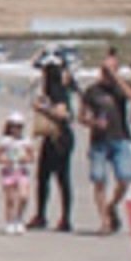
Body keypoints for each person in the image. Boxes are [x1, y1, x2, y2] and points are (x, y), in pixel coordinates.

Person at [80, 56, 131, 234]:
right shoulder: (92, 91)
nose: (107, 73)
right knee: (99, 179)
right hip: (99, 140)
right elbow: (82, 115)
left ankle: (112, 205)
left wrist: (115, 77)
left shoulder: (119, 88)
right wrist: (93, 122)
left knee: (125, 177)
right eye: (105, 69)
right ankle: (104, 221)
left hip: (120, 137)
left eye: (111, 69)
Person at [29, 59, 76, 232]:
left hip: (59, 138)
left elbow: (63, 114)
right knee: (48, 177)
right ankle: (51, 215)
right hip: (56, 137)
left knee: (55, 177)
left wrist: (41, 109)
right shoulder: (58, 91)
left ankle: (57, 217)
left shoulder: (56, 92)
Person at [0, 112, 36, 234]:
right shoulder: (5, 141)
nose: (16, 129)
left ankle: (19, 218)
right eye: (14, 126)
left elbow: (32, 157)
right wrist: (5, 160)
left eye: (19, 126)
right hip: (9, 171)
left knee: (24, 196)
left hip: (21, 171)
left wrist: (25, 159)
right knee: (10, 199)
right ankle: (10, 221)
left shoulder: (26, 141)